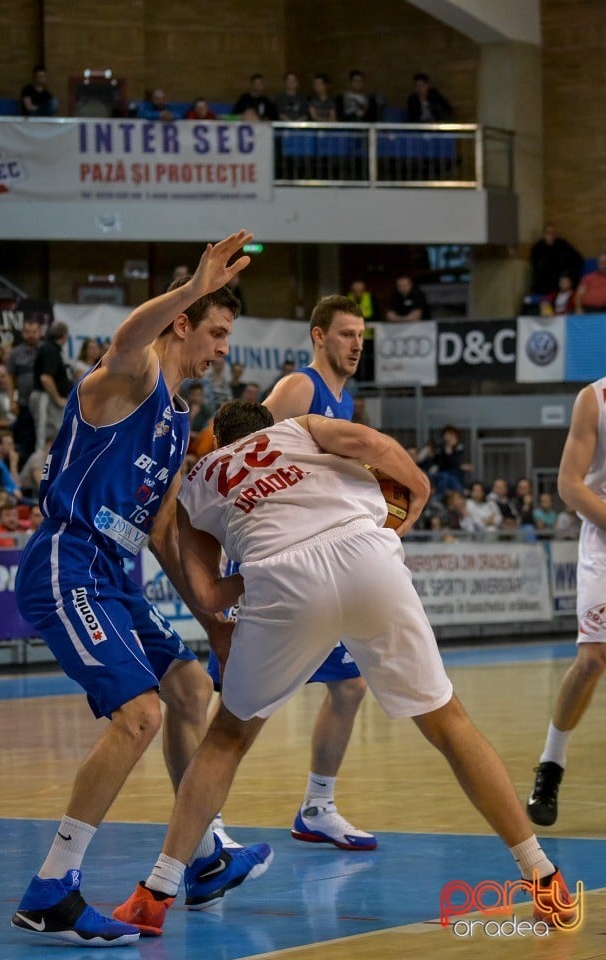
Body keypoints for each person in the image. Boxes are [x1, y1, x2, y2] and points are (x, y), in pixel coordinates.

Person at [114, 398, 576, 936]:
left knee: (226, 739)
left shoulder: (198, 484)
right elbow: (371, 445)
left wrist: (265, 570)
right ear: (270, 428)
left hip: (282, 584)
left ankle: (157, 891)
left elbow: (207, 592)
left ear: (217, 442)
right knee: (449, 723)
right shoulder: (301, 427)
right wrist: (420, 491)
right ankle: (543, 875)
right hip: (365, 555)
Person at [10, 231, 273, 947]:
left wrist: (215, 619)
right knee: (139, 717)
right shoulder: (132, 375)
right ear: (184, 322)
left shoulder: (180, 421)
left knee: (191, 692)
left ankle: (205, 855)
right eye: (216, 331)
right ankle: (52, 888)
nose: (223, 349)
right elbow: (130, 334)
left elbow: (161, 535)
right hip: (68, 561)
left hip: (116, 577)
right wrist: (192, 285)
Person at [211, 296, 376, 852]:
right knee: (243, 700)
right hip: (270, 561)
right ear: (318, 336)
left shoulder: (343, 400)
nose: (356, 344)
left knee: (349, 685)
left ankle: (318, 807)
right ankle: (206, 823)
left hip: (312, 561)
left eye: (361, 335)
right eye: (347, 334)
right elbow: (248, 462)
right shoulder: (298, 389)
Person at [527, 378, 606, 826]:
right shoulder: (594, 399)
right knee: (593, 659)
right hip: (602, 535)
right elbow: (569, 485)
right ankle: (551, 765)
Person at [28, 321, 74, 452]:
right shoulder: (50, 350)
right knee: (44, 434)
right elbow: (46, 378)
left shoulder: (51, 349)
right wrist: (58, 399)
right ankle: (41, 465)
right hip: (45, 397)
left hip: (48, 398)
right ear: (64, 335)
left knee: (54, 431)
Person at [8, 316, 42, 465]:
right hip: (23, 404)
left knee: (40, 439)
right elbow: (10, 377)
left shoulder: (44, 350)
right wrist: (12, 400)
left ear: (40, 332)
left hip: (41, 404)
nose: (31, 335)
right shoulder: (15, 353)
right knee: (24, 441)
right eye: (27, 332)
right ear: (23, 333)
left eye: (34, 332)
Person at [530, 223, 583, 296]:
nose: (551, 235)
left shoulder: (562, 244)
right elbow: (537, 269)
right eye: (548, 232)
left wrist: (568, 274)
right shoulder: (537, 248)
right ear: (543, 234)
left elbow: (578, 259)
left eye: (553, 232)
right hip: (546, 280)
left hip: (562, 277)